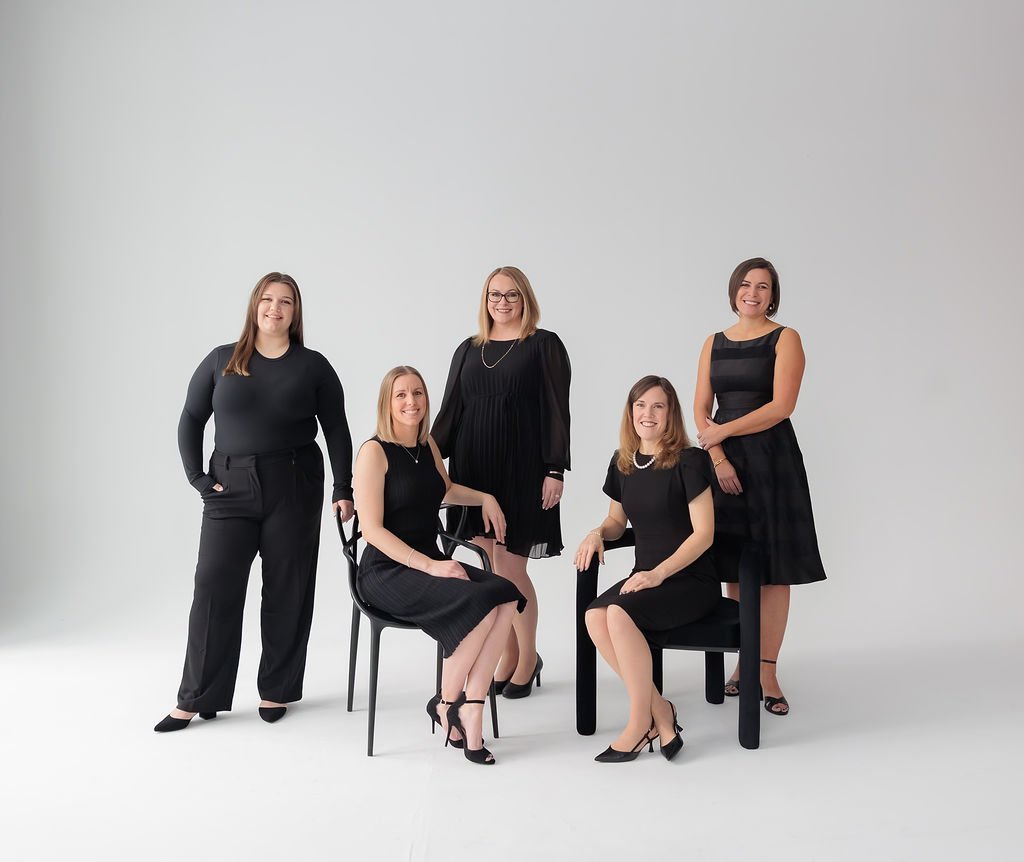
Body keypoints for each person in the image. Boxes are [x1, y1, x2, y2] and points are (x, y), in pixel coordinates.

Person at [154, 272, 354, 732]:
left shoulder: (314, 366)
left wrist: (342, 489)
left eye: (285, 302)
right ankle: (197, 696)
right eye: (267, 300)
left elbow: (337, 430)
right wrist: (198, 479)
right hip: (230, 485)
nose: (275, 309)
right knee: (213, 587)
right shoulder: (222, 360)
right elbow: (190, 418)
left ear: (295, 312)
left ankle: (276, 690)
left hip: (295, 483)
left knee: (288, 587)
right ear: (254, 306)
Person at [354, 366, 526, 765]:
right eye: (401, 395)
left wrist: (485, 497)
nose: (411, 401)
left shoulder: (427, 444)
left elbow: (445, 490)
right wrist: (430, 566)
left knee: (504, 595)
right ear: (387, 403)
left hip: (427, 562)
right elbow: (372, 531)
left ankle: (467, 705)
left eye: (417, 393)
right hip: (385, 571)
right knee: (480, 605)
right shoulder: (374, 452)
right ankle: (455, 705)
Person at [693, 257, 827, 716]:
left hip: (771, 460)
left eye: (764, 286)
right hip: (724, 462)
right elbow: (700, 412)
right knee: (733, 565)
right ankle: (742, 662)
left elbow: (781, 406)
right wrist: (717, 455)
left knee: (773, 566)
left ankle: (766, 669)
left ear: (773, 295)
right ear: (734, 291)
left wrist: (723, 435)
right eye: (746, 284)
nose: (753, 292)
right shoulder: (713, 342)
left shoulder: (785, 338)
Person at [432, 266, 570, 699]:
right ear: (485, 299)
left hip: (523, 472)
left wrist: (554, 469)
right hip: (474, 473)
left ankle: (526, 657)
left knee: (512, 569)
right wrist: (423, 460)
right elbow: (449, 413)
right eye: (495, 294)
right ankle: (506, 656)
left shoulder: (543, 345)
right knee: (490, 571)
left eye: (512, 294)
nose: (503, 302)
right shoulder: (468, 350)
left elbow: (556, 410)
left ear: (525, 297)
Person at [575, 376, 717, 763]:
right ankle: (660, 711)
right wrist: (597, 532)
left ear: (670, 414)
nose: (647, 414)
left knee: (618, 615)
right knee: (595, 617)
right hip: (648, 578)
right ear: (630, 412)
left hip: (688, 579)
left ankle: (639, 724)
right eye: (640, 405)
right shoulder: (623, 462)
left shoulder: (690, 461)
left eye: (658, 406)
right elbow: (617, 523)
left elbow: (704, 534)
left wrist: (659, 574)